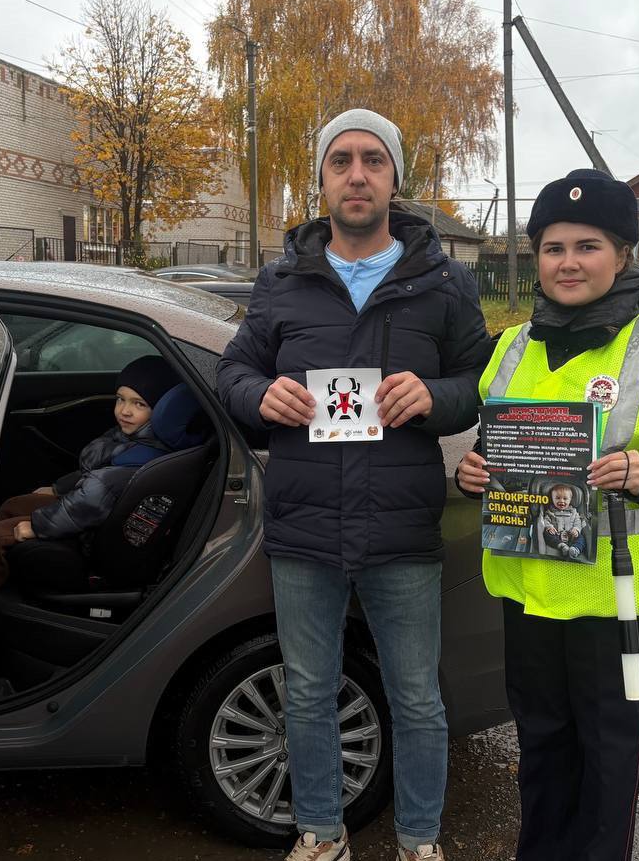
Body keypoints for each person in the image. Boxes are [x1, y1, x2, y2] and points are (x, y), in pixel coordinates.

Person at [216, 108, 492, 861]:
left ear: (396, 178)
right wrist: (258, 396)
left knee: (417, 699)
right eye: (341, 160)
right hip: (304, 526)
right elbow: (232, 371)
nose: (358, 173)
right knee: (307, 693)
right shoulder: (280, 283)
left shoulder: (442, 282)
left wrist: (437, 399)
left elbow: (484, 381)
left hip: (402, 527)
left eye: (373, 159)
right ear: (322, 178)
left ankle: (419, 842)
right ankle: (321, 833)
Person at [456, 168, 639, 861]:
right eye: (554, 247)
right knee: (542, 748)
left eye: (588, 246)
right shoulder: (510, 348)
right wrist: (473, 473)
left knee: (609, 759)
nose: (569, 262)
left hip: (618, 596)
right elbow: (496, 448)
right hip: (528, 594)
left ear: (624, 254)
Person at [0, 354, 179, 592]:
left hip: (88, 531)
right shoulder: (137, 437)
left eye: (139, 404)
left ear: (163, 410)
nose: (124, 411)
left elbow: (92, 499)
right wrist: (58, 488)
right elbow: (92, 473)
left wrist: (38, 527)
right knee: (13, 505)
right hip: (86, 510)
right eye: (120, 399)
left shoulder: (143, 460)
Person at [540, 483, 587, 559]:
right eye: (557, 498)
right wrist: (549, 527)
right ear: (552, 499)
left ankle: (575, 549)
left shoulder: (573, 512)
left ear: (570, 500)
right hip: (556, 535)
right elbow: (546, 520)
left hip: (571, 535)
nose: (561, 501)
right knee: (547, 534)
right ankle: (561, 546)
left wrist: (576, 529)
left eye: (565, 499)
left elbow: (578, 522)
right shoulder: (550, 511)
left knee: (581, 538)